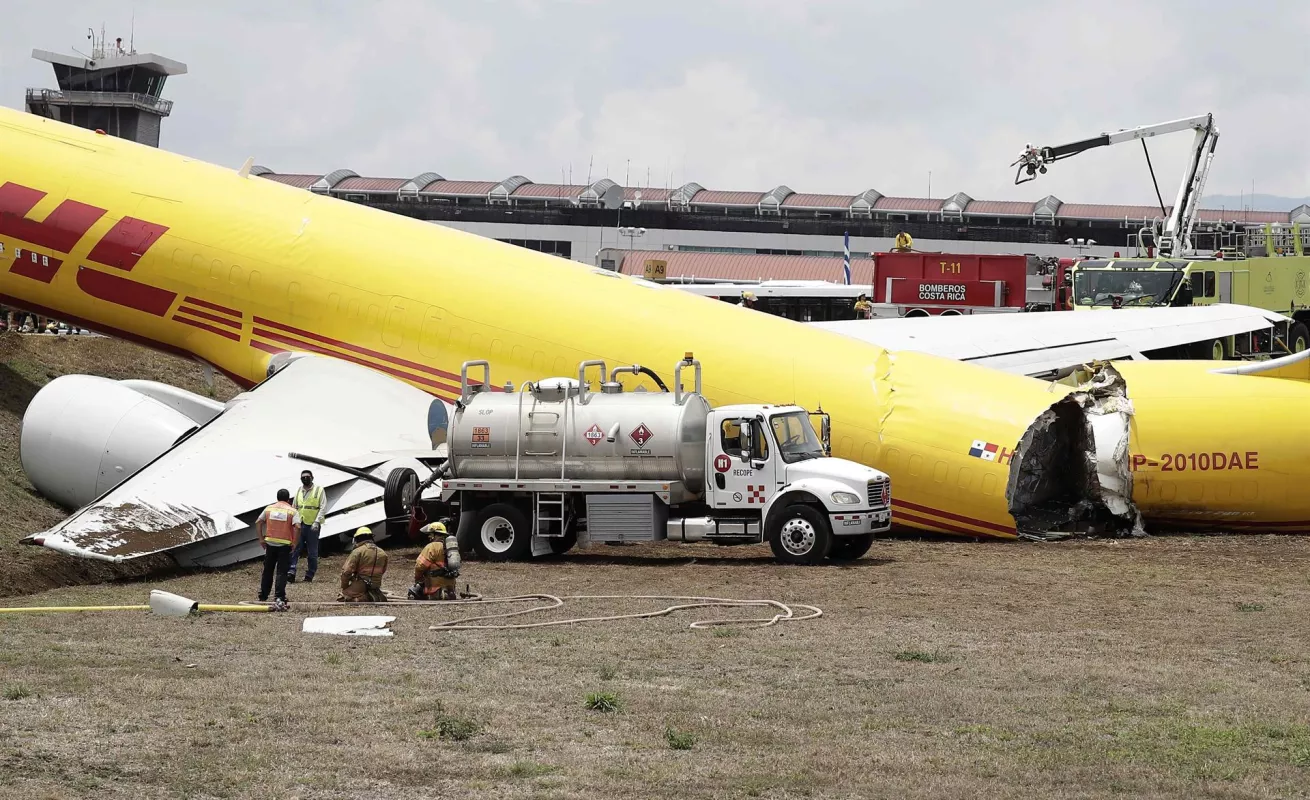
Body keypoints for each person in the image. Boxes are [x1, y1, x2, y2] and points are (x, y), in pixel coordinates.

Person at [255, 488, 300, 609]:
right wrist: (295, 542)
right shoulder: (292, 511)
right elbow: (298, 527)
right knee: (282, 571)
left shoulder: (269, 508)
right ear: (288, 499)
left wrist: (261, 538)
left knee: (268, 570)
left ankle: (263, 594)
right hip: (285, 545)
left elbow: (258, 522)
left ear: (277, 498)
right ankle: (279, 596)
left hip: (270, 544)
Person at [287, 469, 325, 583]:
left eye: (307, 477)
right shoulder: (299, 490)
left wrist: (317, 521)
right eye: (303, 477)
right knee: (295, 548)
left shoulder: (319, 490)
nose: (305, 479)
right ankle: (291, 571)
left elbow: (323, 507)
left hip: (312, 525)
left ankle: (310, 574)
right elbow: (294, 506)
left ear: (312, 478)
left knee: (312, 552)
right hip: (300, 524)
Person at [409, 521, 459, 600]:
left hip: (435, 589)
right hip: (450, 589)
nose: (429, 536)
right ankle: (448, 593)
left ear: (435, 534)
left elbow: (420, 566)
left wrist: (418, 579)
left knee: (413, 591)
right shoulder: (450, 547)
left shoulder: (432, 547)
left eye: (430, 534)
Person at [339, 527, 389, 602]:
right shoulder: (382, 553)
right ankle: (374, 595)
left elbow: (346, 572)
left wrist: (345, 587)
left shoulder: (357, 551)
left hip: (361, 585)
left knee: (341, 598)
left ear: (357, 539)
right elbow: (383, 570)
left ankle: (365, 598)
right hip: (375, 586)